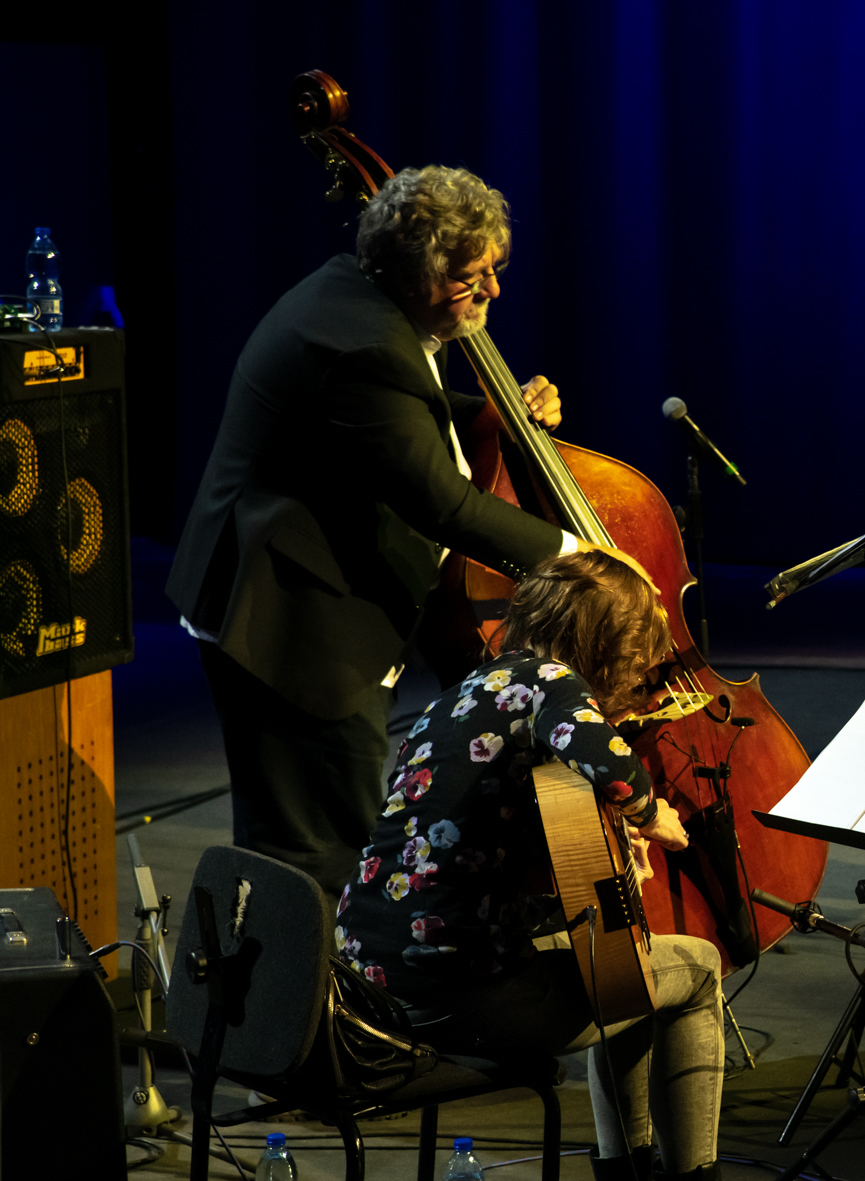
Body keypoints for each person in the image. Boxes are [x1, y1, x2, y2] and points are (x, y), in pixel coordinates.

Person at [337, 548, 813, 1181]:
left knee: (615, 965)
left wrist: (596, 853)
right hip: (456, 999)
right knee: (693, 969)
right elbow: (615, 767)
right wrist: (657, 819)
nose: (634, 690)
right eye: (633, 667)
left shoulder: (477, 688)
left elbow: (482, 846)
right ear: (604, 650)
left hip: (369, 985)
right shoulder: (551, 683)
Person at [167, 165, 581, 898]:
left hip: (296, 590)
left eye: (493, 269)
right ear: (410, 269)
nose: (490, 292)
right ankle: (299, 1010)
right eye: (468, 276)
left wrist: (493, 413)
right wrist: (580, 557)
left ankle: (303, 1001)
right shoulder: (364, 346)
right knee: (317, 859)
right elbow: (443, 504)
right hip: (288, 626)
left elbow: (397, 418)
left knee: (324, 846)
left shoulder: (363, 298)